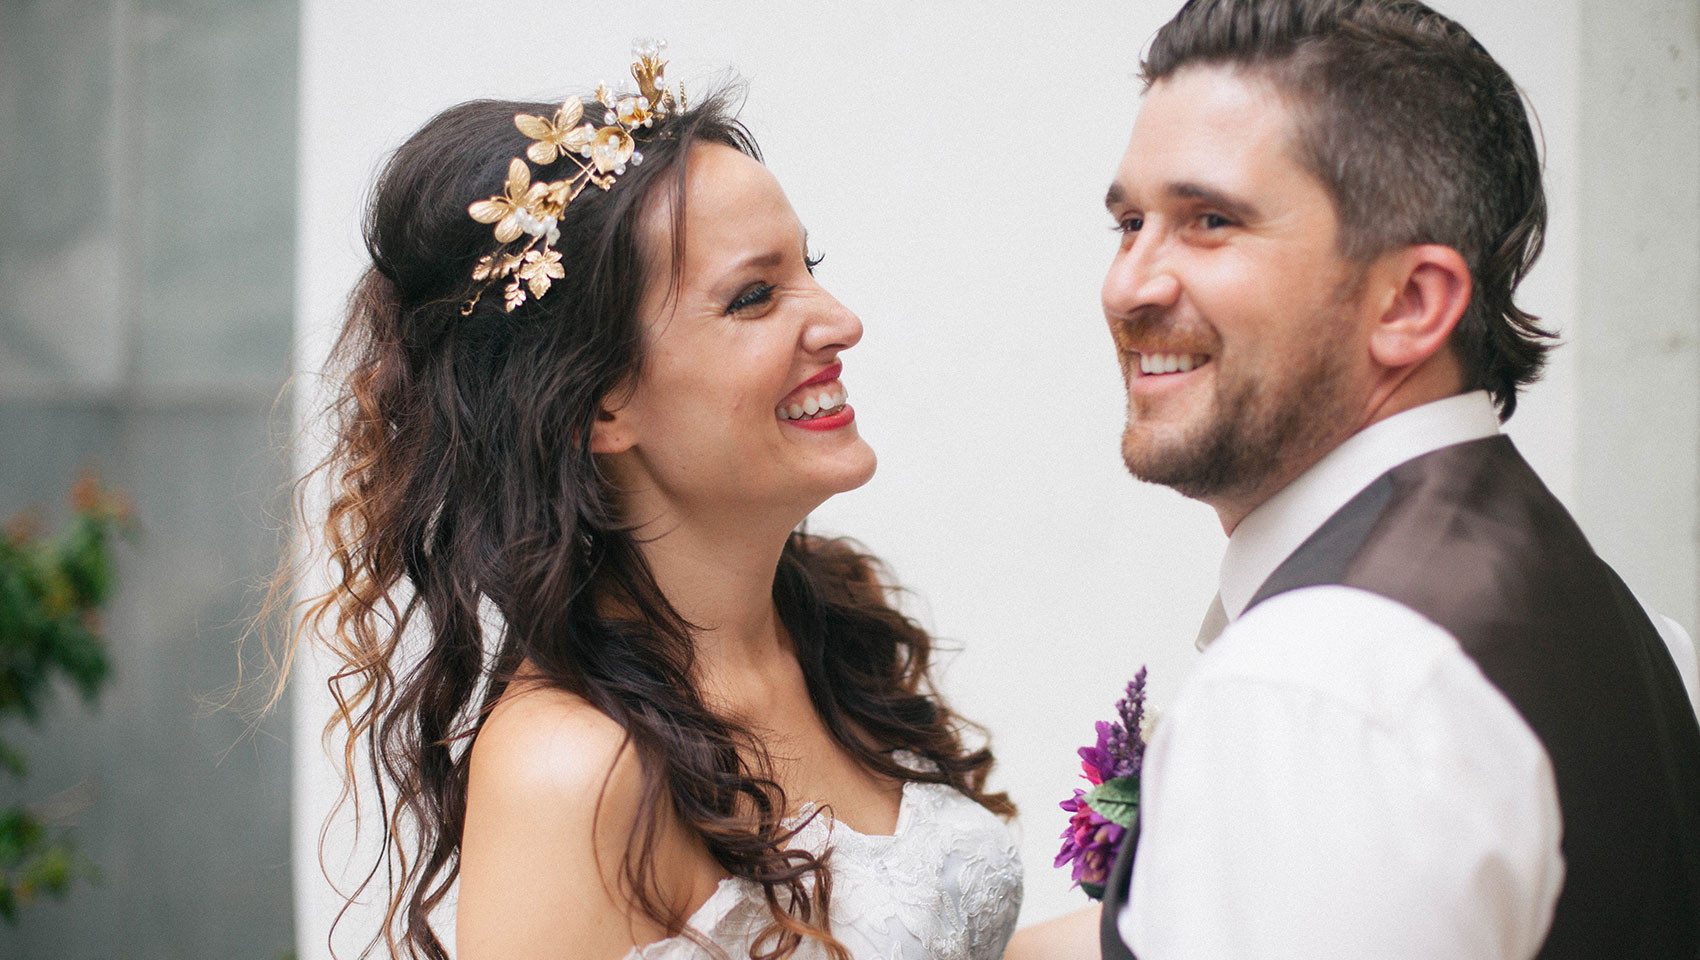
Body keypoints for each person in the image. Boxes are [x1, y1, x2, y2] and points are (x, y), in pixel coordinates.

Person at [295, 47, 1020, 960]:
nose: (839, 320)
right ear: (601, 402)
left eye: (811, 266)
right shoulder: (572, 770)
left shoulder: (834, 622)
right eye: (754, 298)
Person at [1080, 1, 1700, 958]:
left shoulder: (1317, 689)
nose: (1129, 284)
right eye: (1130, 221)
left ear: (1411, 304)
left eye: (1210, 221)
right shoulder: (1631, 631)